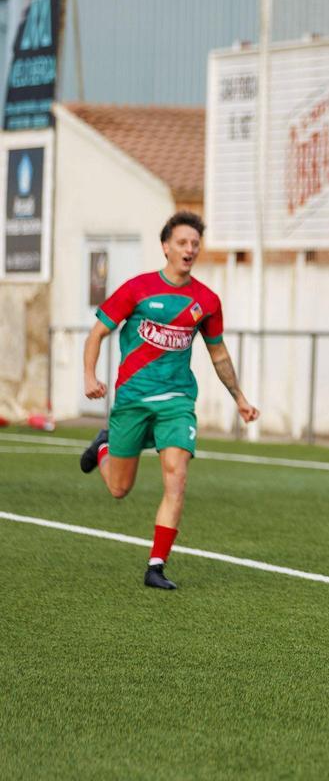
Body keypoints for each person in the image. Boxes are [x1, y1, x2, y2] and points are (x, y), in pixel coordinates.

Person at [78, 211, 259, 590]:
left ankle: (156, 566)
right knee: (118, 489)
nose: (189, 249)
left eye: (195, 243)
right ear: (165, 247)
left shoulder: (206, 301)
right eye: (182, 242)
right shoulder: (137, 289)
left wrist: (239, 398)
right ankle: (103, 448)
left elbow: (219, 353)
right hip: (132, 399)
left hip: (177, 401)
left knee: (177, 476)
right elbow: (96, 334)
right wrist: (90, 376)